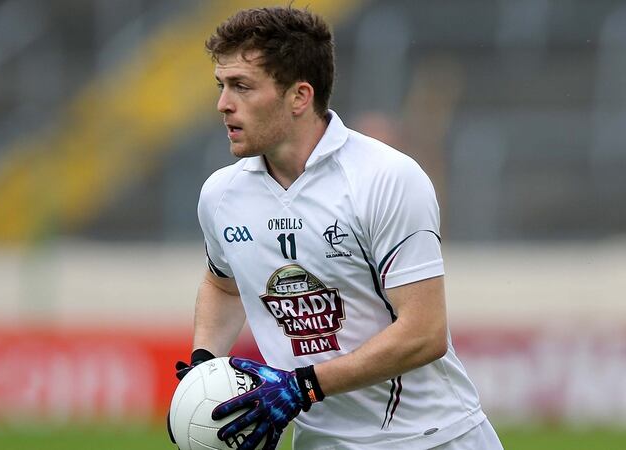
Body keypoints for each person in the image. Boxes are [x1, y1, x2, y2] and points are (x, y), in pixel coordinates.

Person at [170, 6, 504, 450]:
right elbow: (223, 284)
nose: (223, 104)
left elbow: (424, 332)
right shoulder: (222, 195)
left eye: (242, 87)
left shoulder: (385, 179)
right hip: (319, 441)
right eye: (222, 86)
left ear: (299, 96)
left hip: (432, 438)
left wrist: (303, 386)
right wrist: (203, 363)